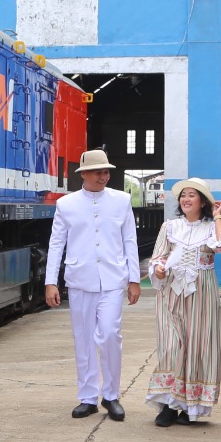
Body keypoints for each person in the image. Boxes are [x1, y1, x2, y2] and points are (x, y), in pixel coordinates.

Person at [45, 149, 141, 421]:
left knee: (110, 334)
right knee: (83, 339)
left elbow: (129, 241)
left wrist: (134, 279)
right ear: (84, 174)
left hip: (112, 279)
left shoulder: (122, 201)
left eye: (107, 171)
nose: (104, 176)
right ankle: (87, 398)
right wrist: (50, 282)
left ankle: (111, 395)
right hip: (80, 279)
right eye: (98, 171)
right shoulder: (66, 204)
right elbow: (56, 244)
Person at [145, 179, 221, 426]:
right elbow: (157, 257)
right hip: (171, 294)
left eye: (191, 195)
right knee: (172, 347)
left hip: (202, 294)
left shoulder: (211, 227)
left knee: (198, 349)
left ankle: (188, 408)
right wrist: (159, 268)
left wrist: (218, 216)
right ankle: (168, 405)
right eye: (183, 195)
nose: (185, 199)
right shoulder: (170, 226)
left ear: (203, 202)